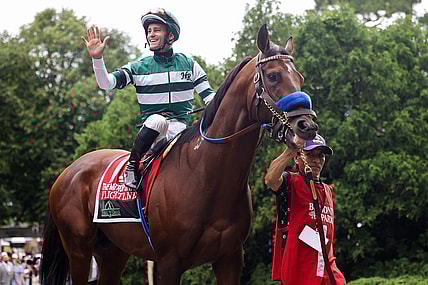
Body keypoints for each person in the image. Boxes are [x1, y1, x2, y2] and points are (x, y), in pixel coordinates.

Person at [82, 8, 215, 189]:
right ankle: (132, 165)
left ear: (170, 35)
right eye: (149, 31)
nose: (151, 35)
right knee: (158, 121)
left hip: (182, 132)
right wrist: (97, 59)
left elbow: (210, 98)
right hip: (153, 131)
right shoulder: (138, 67)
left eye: (156, 30)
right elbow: (106, 83)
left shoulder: (190, 65)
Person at [265, 134, 346, 285]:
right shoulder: (290, 182)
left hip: (327, 270)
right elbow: (270, 180)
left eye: (320, 155)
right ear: (298, 158)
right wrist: (291, 149)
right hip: (299, 272)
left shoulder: (328, 191)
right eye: (309, 155)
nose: (316, 160)